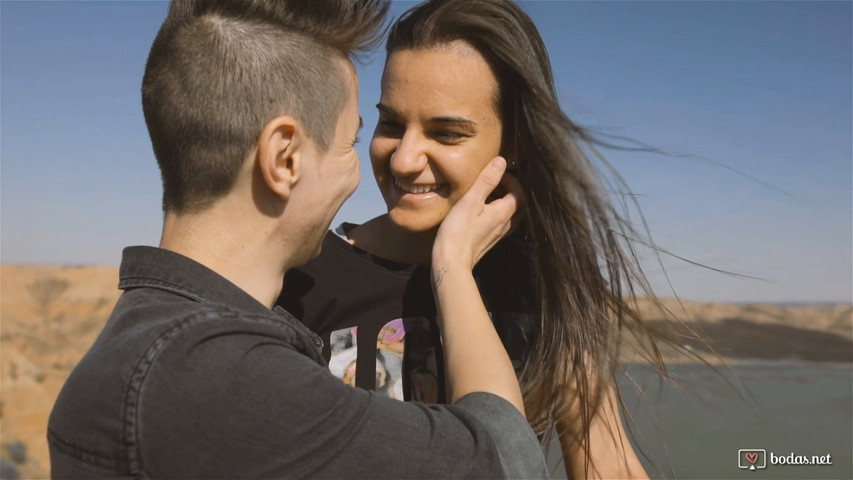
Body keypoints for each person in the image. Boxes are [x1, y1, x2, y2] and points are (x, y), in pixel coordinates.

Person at [47, 1, 549, 478]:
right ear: (284, 158)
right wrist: (454, 266)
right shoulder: (222, 379)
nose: (392, 164)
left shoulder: (149, 334)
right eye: (350, 142)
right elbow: (508, 461)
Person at [278, 0, 662, 478]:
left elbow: (608, 465)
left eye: (446, 133)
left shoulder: (546, 286)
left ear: (514, 145)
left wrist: (451, 268)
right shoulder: (303, 278)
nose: (403, 160)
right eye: (392, 124)